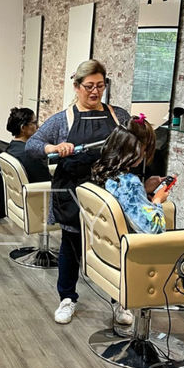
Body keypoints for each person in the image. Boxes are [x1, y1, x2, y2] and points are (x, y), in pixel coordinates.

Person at [26, 59, 130, 325]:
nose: (95, 92)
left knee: (114, 247)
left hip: (110, 190)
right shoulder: (62, 119)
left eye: (100, 86)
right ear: (76, 86)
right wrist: (53, 148)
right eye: (89, 86)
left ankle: (120, 301)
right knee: (71, 245)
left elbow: (133, 144)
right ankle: (67, 298)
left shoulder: (119, 116)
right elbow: (32, 144)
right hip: (73, 189)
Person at [91, 117, 168, 235]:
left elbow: (123, 199)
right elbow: (155, 230)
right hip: (135, 243)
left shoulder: (102, 172)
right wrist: (158, 199)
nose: (144, 154)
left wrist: (143, 189)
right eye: (145, 149)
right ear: (134, 149)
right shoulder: (131, 183)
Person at [5, 107, 50, 183]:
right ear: (23, 128)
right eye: (34, 123)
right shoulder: (30, 155)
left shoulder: (11, 147)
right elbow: (45, 180)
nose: (37, 126)